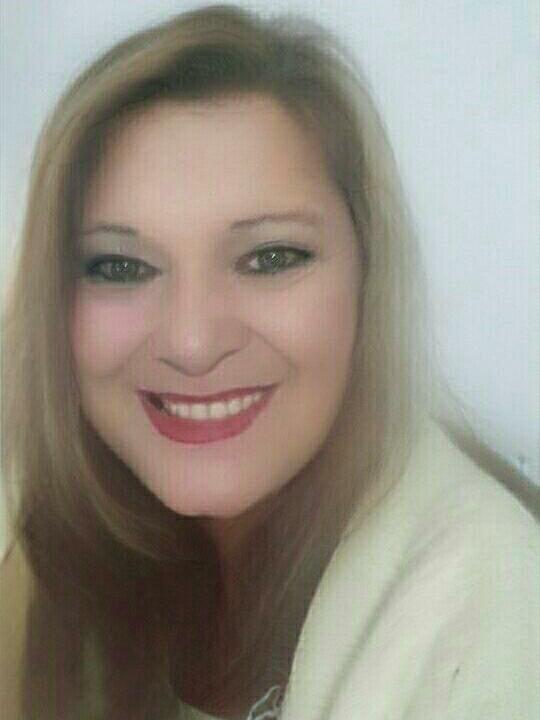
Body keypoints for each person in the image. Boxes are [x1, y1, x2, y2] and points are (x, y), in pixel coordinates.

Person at [0, 5, 538, 720]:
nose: (192, 343)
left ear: (368, 276)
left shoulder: (499, 624)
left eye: (271, 257)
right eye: (122, 266)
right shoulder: (41, 542)